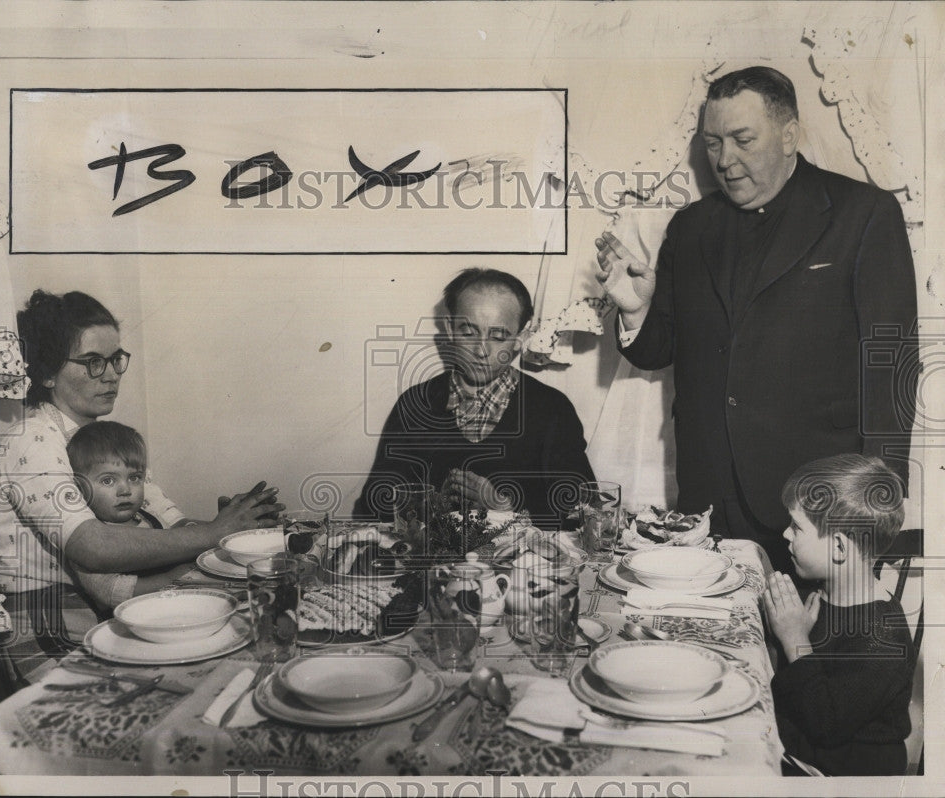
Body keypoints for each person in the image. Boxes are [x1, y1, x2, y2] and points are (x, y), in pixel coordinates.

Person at [595, 66, 917, 572]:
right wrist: (635, 311)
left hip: (818, 511)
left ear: (790, 135)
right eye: (713, 143)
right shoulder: (691, 227)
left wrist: (874, 508)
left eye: (743, 139)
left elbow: (891, 367)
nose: (725, 160)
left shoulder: (863, 214)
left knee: (807, 649)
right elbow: (660, 350)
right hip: (707, 500)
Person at [0, 290, 280, 679]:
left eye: (115, 359)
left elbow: (170, 524)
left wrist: (231, 530)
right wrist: (212, 534)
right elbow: (94, 547)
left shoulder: (100, 441)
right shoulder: (33, 439)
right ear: (47, 373)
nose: (111, 374)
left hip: (105, 613)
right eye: (92, 362)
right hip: (47, 625)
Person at [355, 268, 595, 527]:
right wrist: (434, 503)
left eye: (498, 336)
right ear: (449, 329)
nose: (481, 350)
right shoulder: (415, 404)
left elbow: (583, 513)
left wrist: (506, 508)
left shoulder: (551, 409)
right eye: (468, 332)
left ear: (520, 339)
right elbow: (372, 509)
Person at [763, 454, 915, 776]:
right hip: (805, 749)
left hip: (840, 775)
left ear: (839, 550)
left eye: (797, 527)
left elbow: (825, 722)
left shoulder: (882, 636)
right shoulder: (827, 593)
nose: (786, 535)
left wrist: (794, 639)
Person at [66, 421, 193, 611]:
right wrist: (171, 578)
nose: (125, 490)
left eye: (134, 478)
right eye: (108, 480)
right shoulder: (88, 538)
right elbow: (110, 593)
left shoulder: (150, 518)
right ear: (79, 487)